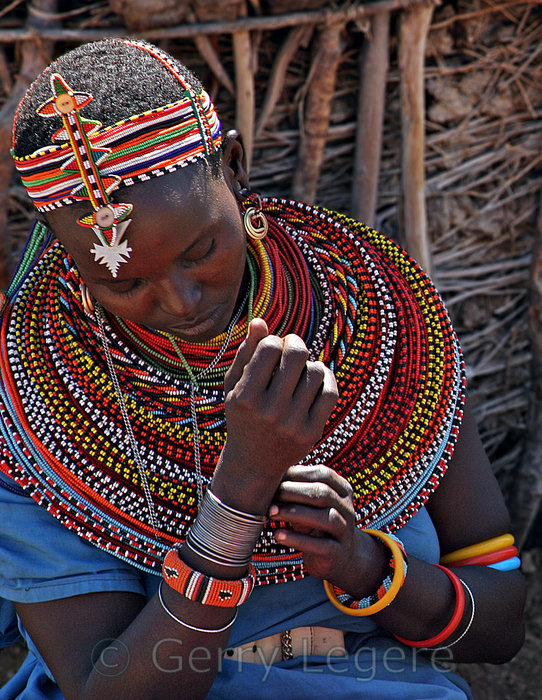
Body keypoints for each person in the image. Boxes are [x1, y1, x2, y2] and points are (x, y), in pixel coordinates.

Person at [0, 38, 525, 700]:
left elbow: (501, 626)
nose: (181, 302)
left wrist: (363, 564)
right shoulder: (36, 403)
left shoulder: (383, 323)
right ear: (70, 256)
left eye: (199, 251)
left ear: (236, 167)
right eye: (126, 282)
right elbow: (105, 692)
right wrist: (240, 492)